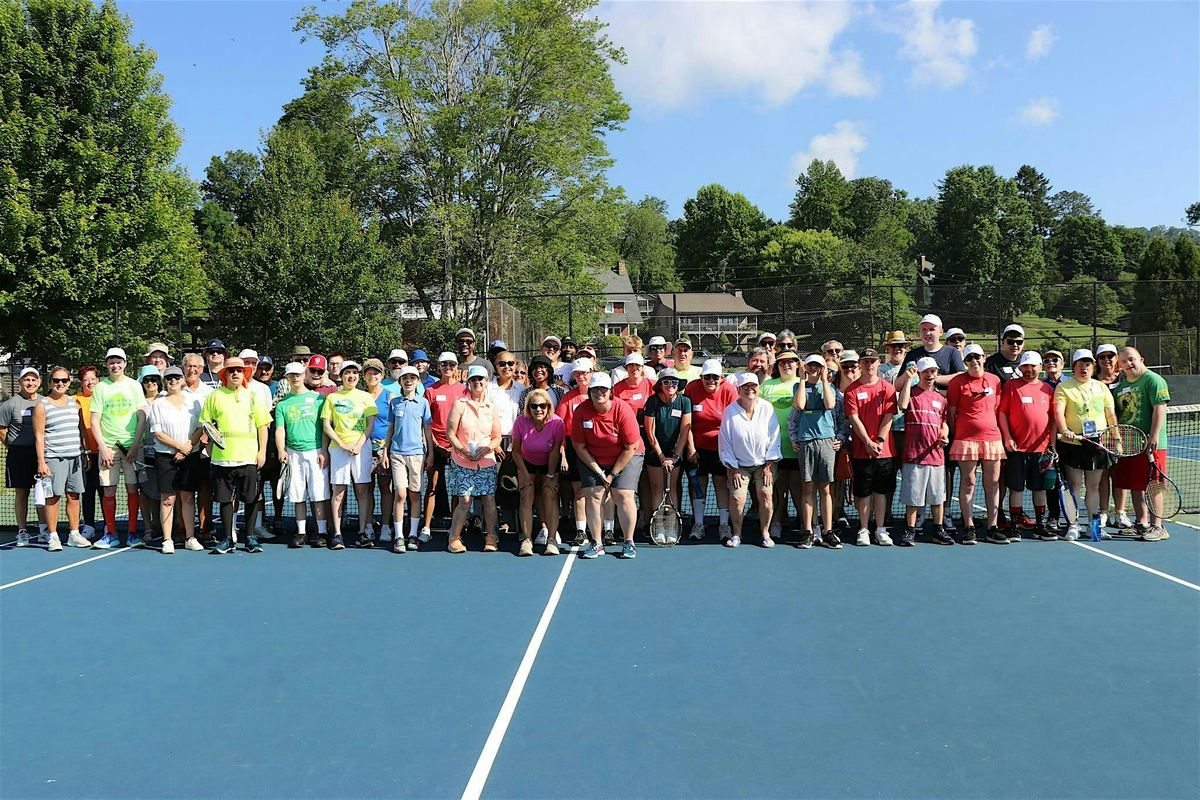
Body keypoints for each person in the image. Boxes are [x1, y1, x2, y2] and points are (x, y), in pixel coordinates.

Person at [197, 356, 271, 554]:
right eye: (231, 371)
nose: (236, 373)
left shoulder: (253, 396)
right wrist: (210, 444)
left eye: (239, 370)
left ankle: (250, 538)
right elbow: (207, 424)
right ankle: (228, 539)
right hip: (222, 459)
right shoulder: (215, 396)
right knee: (224, 499)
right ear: (225, 374)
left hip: (249, 457)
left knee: (251, 499)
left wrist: (262, 451)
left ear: (244, 373)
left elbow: (263, 426)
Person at [570, 372, 644, 559]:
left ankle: (629, 542)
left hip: (627, 455)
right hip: (592, 457)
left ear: (610, 391)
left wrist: (611, 475)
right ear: (590, 391)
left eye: (603, 388)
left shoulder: (623, 410)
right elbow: (579, 446)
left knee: (623, 494)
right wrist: (598, 471)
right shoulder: (581, 412)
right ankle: (597, 543)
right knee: (593, 495)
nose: (599, 392)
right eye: (595, 389)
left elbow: (630, 447)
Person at [1053, 349, 1118, 541]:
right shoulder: (1064, 387)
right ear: (1073, 367)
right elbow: (1058, 411)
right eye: (1080, 364)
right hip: (1072, 443)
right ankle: (1073, 525)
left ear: (1093, 366)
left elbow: (1110, 414)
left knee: (1094, 486)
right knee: (1074, 485)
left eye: (1088, 364)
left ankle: (1093, 526)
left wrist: (1117, 438)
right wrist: (1064, 429)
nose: (1084, 368)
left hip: (1097, 443)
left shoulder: (1101, 387)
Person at [947, 344, 1006, 544]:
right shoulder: (957, 383)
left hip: (992, 439)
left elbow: (997, 409)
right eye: (969, 358)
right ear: (965, 362)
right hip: (966, 440)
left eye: (977, 357)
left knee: (993, 484)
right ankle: (969, 526)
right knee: (968, 482)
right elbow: (952, 414)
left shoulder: (995, 381)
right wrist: (959, 434)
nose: (974, 361)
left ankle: (992, 527)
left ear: (984, 357)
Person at [89, 348, 147, 549]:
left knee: (133, 488)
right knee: (109, 490)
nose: (115, 365)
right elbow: (94, 420)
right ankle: (111, 533)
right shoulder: (101, 388)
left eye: (119, 362)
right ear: (107, 364)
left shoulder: (134, 386)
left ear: (125, 363)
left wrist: (135, 444)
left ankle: (132, 533)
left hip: (131, 448)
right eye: (111, 362)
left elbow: (142, 417)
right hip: (109, 449)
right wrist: (103, 448)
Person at [1112, 347, 1171, 542]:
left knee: (1154, 485)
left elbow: (1159, 409)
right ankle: (1142, 523)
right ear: (1119, 366)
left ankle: (1158, 526)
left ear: (1141, 359)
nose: (1129, 364)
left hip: (1153, 445)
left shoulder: (1153, 380)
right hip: (1131, 445)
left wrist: (1153, 436)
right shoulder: (1120, 388)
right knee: (1137, 486)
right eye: (1124, 361)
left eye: (1132, 359)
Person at [998, 351, 1058, 542]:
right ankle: (1014, 526)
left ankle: (1040, 525)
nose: (1029, 370)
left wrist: (1052, 444)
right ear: (1020, 367)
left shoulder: (1047, 389)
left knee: (1039, 489)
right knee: (1017, 488)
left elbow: (1053, 419)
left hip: (1041, 450)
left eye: (1033, 366)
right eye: (1025, 366)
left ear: (1040, 367)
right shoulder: (1011, 386)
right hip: (1017, 450)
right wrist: (1007, 438)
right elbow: (1002, 413)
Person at [717, 372, 780, 548]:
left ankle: (765, 533)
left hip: (764, 464)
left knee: (766, 495)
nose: (749, 389)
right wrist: (733, 468)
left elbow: (774, 436)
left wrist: (769, 465)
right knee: (737, 499)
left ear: (758, 388)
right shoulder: (730, 411)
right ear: (738, 390)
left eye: (753, 386)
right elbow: (725, 440)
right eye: (745, 387)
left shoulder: (767, 408)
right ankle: (736, 534)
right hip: (739, 466)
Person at [843, 348, 898, 546]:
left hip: (884, 451)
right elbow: (854, 419)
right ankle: (864, 529)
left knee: (881, 491)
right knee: (863, 492)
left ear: (878, 363)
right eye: (865, 361)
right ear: (860, 364)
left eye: (872, 361)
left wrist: (880, 441)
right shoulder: (851, 390)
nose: (869, 365)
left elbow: (889, 416)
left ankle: (880, 529)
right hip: (861, 451)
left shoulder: (887, 388)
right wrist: (867, 442)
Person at [445, 365, 501, 553]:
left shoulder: (491, 408)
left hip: (486, 461)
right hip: (462, 461)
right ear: (468, 382)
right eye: (474, 379)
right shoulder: (460, 404)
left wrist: (486, 449)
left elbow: (497, 437)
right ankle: (454, 537)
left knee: (489, 499)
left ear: (486, 382)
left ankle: (491, 537)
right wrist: (462, 450)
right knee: (465, 500)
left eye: (481, 379)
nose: (477, 382)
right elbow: (451, 433)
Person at [896, 358, 952, 546]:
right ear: (919, 373)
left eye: (933, 371)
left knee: (938, 498)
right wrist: (907, 381)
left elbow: (944, 423)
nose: (930, 375)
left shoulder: (941, 399)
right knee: (913, 498)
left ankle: (938, 530)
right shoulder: (911, 394)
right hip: (914, 455)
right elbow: (902, 405)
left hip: (936, 456)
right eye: (926, 371)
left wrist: (945, 436)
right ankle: (910, 531)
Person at [31, 367, 89, 550]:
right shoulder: (42, 405)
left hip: (76, 458)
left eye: (64, 380)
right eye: (56, 381)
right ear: (50, 383)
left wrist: (85, 452)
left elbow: (81, 431)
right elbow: (39, 436)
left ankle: (74, 534)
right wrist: (41, 461)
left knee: (74, 496)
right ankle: (53, 536)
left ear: (69, 382)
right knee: (53, 498)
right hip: (54, 459)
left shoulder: (75, 403)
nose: (60, 384)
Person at [322, 360, 378, 549]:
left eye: (355, 373)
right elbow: (327, 425)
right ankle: (337, 534)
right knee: (338, 492)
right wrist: (341, 443)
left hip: (361, 449)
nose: (351, 376)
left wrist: (359, 444)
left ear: (358, 376)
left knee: (362, 490)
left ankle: (362, 533)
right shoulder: (332, 398)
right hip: (339, 450)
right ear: (342, 376)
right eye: (348, 373)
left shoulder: (365, 397)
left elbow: (370, 424)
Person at [274, 361, 330, 548]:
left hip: (314, 452)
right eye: (291, 375)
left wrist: (323, 450)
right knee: (298, 495)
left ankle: (322, 532)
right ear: (287, 378)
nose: (295, 378)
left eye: (298, 374)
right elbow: (280, 430)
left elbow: (324, 428)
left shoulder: (318, 400)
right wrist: (281, 450)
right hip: (293, 454)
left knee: (318, 495)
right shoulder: (283, 404)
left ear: (304, 375)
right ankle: (301, 533)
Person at [149, 365, 203, 553]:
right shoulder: (158, 404)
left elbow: (200, 427)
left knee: (187, 497)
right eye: (169, 378)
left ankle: (190, 537)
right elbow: (157, 433)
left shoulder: (194, 401)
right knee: (168, 499)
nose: (173, 381)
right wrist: (179, 447)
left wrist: (187, 447)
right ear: (165, 381)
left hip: (190, 455)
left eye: (177, 378)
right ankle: (167, 540)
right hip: (166, 456)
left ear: (182, 380)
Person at [381, 366, 433, 553]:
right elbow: (391, 428)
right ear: (400, 382)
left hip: (417, 454)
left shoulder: (423, 403)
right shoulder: (394, 403)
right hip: (397, 454)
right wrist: (385, 450)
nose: (409, 380)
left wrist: (430, 453)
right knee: (400, 493)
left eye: (413, 377)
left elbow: (427, 429)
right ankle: (399, 536)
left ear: (418, 381)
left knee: (414, 493)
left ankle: (412, 535)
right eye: (405, 378)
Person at [788, 354, 837, 549]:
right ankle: (808, 531)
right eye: (810, 365)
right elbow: (800, 406)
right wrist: (801, 379)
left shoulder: (830, 387)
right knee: (807, 487)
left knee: (825, 489)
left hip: (825, 440)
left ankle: (828, 530)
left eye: (818, 365)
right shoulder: (798, 387)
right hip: (806, 441)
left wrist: (824, 381)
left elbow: (830, 405)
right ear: (805, 367)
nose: (814, 368)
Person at [684, 358, 736, 541]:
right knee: (698, 484)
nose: (711, 381)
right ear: (701, 377)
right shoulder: (691, 389)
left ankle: (724, 525)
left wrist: (729, 451)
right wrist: (690, 447)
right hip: (697, 448)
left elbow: (734, 422)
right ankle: (699, 524)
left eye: (715, 377)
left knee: (722, 484)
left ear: (721, 378)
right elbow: (687, 422)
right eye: (707, 377)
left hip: (722, 449)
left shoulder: (729, 390)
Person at [512, 389, 565, 556]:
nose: (538, 409)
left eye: (542, 405)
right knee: (526, 495)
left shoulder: (557, 423)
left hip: (549, 462)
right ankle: (526, 540)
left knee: (549, 494)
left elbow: (556, 450)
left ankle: (551, 540)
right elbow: (515, 451)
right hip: (526, 462)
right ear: (529, 407)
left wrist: (550, 475)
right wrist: (526, 476)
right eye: (534, 406)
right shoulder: (520, 422)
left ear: (548, 406)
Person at [421, 352, 467, 540]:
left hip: (457, 447)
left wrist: (456, 445)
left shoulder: (464, 390)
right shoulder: (430, 391)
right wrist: (435, 445)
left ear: (456, 367)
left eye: (451, 364)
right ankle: (426, 528)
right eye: (444, 364)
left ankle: (455, 528)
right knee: (431, 486)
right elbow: (426, 423)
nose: (448, 367)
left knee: (457, 489)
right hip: (436, 446)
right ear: (439, 366)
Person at [643, 367, 693, 534]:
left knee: (671, 488)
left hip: (674, 453)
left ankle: (671, 528)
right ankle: (658, 527)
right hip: (655, 452)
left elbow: (685, 431)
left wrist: (675, 456)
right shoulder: (652, 402)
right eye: (666, 382)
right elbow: (650, 432)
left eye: (674, 382)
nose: (670, 385)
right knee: (657, 488)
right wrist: (662, 457)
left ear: (678, 384)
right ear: (660, 384)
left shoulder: (685, 401)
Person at [760, 350, 803, 540]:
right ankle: (775, 523)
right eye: (782, 362)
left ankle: (805, 525)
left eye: (791, 362)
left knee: (798, 489)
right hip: (773, 449)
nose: (787, 365)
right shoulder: (767, 386)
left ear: (797, 364)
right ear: (777, 366)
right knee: (777, 490)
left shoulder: (802, 384)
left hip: (799, 448)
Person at [489, 351, 525, 537]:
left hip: (516, 444)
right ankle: (493, 527)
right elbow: (484, 417)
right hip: (492, 443)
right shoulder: (488, 389)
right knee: (491, 488)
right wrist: (493, 443)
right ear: (496, 366)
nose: (507, 367)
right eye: (503, 364)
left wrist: (515, 445)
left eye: (511, 363)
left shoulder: (521, 390)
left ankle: (515, 524)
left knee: (513, 485)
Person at [363, 358, 398, 543]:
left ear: (382, 375)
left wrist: (386, 449)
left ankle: (385, 526)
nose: (373, 376)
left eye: (376, 373)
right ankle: (368, 525)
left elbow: (393, 424)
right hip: (363, 449)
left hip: (384, 450)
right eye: (369, 372)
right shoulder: (359, 396)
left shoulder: (390, 396)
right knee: (366, 489)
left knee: (386, 488)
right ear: (364, 376)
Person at [181, 352, 215, 539]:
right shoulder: (176, 389)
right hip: (181, 449)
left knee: (204, 488)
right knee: (183, 491)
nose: (192, 369)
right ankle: (182, 528)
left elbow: (212, 421)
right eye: (188, 366)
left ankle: (204, 527)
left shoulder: (209, 393)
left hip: (203, 449)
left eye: (196, 366)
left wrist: (204, 439)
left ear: (202, 370)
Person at [879, 331, 910, 527]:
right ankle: (886, 513)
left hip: (911, 431)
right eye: (893, 345)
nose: (897, 348)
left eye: (901, 345)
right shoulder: (881, 370)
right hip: (889, 430)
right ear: (888, 349)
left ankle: (911, 517)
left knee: (910, 476)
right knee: (887, 476)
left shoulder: (916, 368)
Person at [1094, 342, 1123, 527]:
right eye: (1102, 357)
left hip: (1124, 435)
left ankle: (1120, 513)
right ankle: (1104, 512)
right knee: (1103, 475)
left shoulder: (1126, 379)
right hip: (1100, 437)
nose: (1106, 360)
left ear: (1116, 358)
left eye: (1110, 356)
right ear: (1097, 361)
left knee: (1119, 476)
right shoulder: (1093, 381)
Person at [135, 365, 163, 544]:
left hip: (164, 453)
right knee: (145, 492)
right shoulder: (137, 402)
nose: (150, 383)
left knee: (166, 492)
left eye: (154, 380)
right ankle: (148, 528)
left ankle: (166, 526)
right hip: (142, 455)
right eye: (146, 380)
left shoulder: (167, 398)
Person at [73, 365, 100, 540]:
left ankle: (108, 526)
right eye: (85, 379)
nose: (90, 382)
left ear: (98, 379)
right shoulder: (75, 400)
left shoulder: (104, 396)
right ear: (81, 382)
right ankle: (89, 525)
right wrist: (85, 450)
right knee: (88, 490)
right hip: (86, 454)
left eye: (92, 378)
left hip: (105, 452)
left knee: (106, 490)